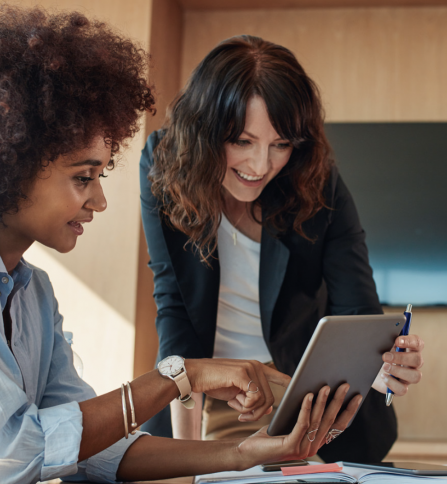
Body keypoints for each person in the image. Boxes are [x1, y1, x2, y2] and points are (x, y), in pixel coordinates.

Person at [0, 10, 360, 484]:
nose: (100, 201)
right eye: (82, 177)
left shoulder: (31, 294)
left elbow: (93, 450)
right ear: (11, 164)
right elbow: (11, 453)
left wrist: (242, 455)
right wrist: (178, 374)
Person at [139, 35, 425, 462]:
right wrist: (186, 456)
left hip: (308, 404)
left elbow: (357, 311)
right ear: (203, 131)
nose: (260, 166)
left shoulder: (316, 178)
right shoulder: (166, 165)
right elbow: (174, 307)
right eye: (241, 141)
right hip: (205, 399)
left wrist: (383, 366)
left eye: (280, 144)